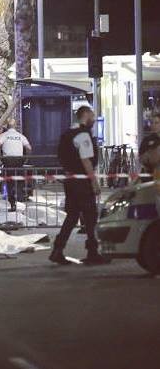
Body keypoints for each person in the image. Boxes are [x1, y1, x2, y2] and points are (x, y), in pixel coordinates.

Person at [50, 106, 107, 265]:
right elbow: (86, 160)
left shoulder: (67, 134)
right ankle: (92, 252)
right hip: (82, 181)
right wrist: (94, 182)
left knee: (72, 216)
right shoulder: (83, 134)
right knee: (90, 216)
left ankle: (57, 250)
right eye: (92, 116)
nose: (94, 119)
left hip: (70, 180)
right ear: (85, 115)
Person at [0, 119, 32, 212]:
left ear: (7, 126)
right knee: (19, 180)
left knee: (9, 182)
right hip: (19, 161)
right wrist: (26, 158)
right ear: (15, 126)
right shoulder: (20, 136)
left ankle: (13, 203)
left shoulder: (4, 135)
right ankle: (20, 199)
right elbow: (29, 148)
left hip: (8, 161)